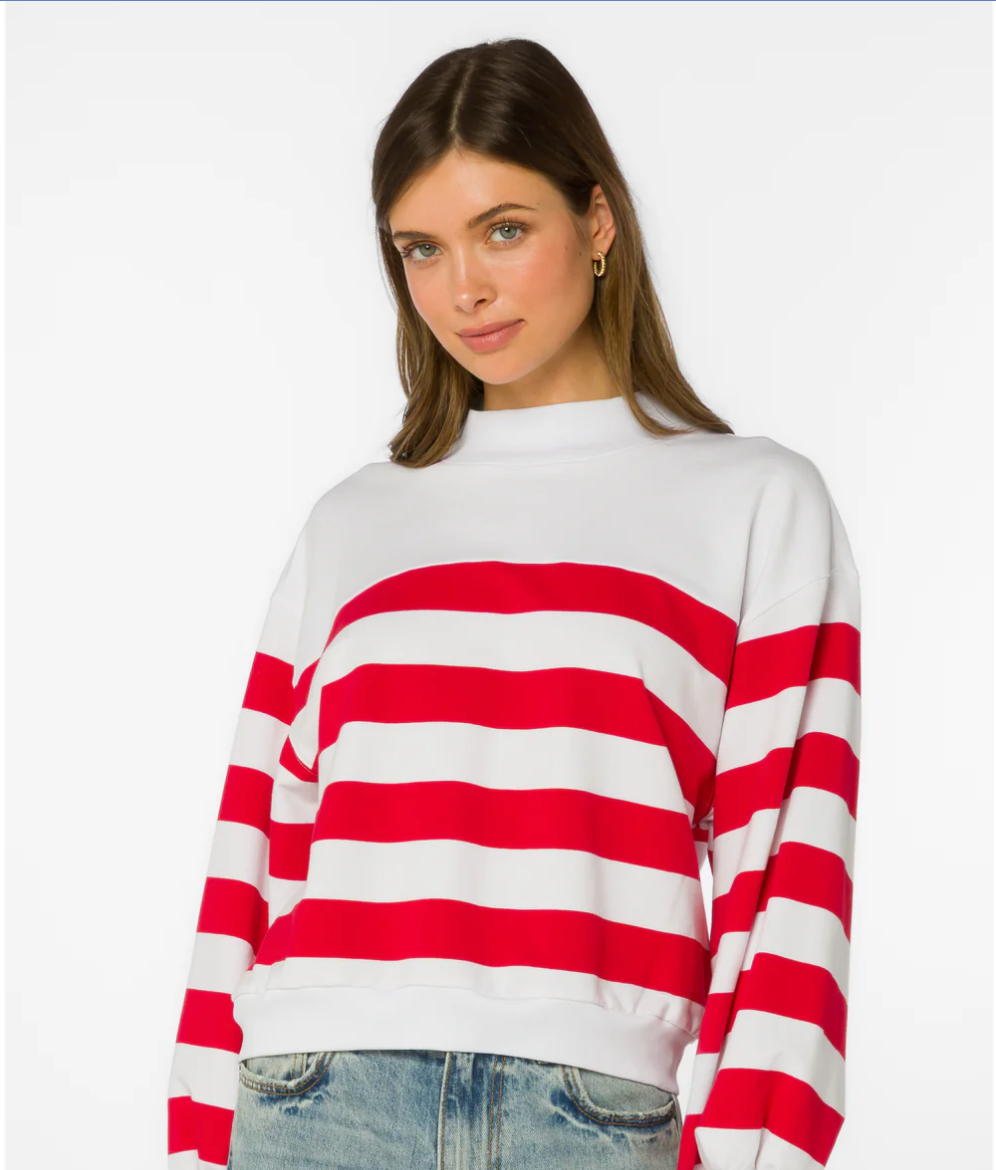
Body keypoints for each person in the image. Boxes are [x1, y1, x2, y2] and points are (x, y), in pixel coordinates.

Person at [166, 36, 862, 1170]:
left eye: (503, 229)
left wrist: (758, 1147)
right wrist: (200, 1138)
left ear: (598, 222)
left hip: (588, 1115)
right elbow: (256, 847)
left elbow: (788, 872)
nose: (464, 290)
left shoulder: (754, 502)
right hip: (314, 1099)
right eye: (422, 249)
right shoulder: (355, 521)